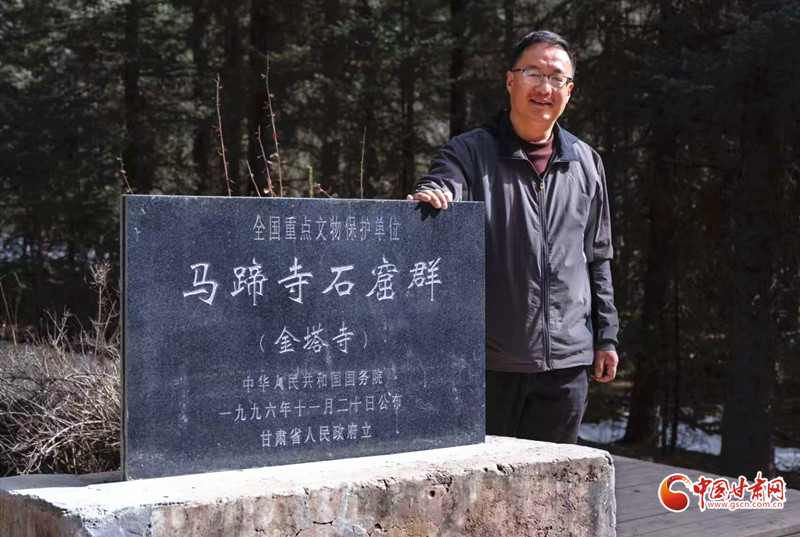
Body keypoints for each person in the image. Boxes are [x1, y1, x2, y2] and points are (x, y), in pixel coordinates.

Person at [407, 30, 619, 444]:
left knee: (557, 480)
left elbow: (598, 257)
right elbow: (444, 181)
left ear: (570, 90)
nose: (544, 88)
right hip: (490, 366)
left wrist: (606, 336)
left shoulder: (586, 162)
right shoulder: (471, 152)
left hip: (566, 370)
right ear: (510, 81)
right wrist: (433, 192)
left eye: (556, 78)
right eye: (533, 74)